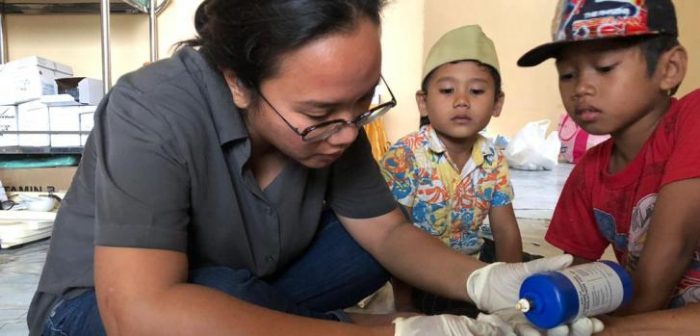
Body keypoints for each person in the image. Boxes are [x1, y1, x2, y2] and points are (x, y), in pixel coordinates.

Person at [27, 1, 596, 335]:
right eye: (321, 114)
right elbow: (138, 312)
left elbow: (388, 233)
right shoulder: (151, 109)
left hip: (254, 278)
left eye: (364, 101)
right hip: (100, 310)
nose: (349, 133)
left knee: (363, 249)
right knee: (216, 289)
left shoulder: (336, 125)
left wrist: (488, 280)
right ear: (237, 83)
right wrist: (393, 333)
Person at [518, 0, 700, 316]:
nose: (582, 88)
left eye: (604, 68)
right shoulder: (588, 173)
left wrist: (611, 327)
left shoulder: (693, 119)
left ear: (669, 70)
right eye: (567, 74)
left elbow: (677, 244)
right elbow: (574, 273)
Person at [380, 25, 523, 316]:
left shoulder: (493, 158)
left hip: (474, 263)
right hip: (423, 276)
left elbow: (506, 229)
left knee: (543, 275)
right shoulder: (406, 155)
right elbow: (394, 237)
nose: (462, 101)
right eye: (447, 90)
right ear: (423, 101)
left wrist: (511, 292)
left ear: (497, 103)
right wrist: (404, 306)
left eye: (477, 91)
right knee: (463, 315)